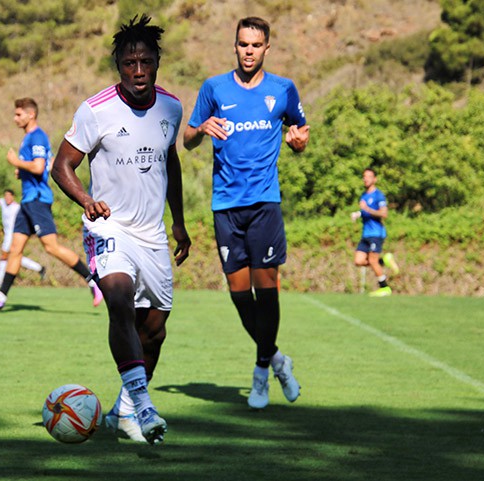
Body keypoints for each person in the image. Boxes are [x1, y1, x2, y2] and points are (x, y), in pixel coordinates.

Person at [51, 14, 190, 444]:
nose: (138, 70)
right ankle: (145, 408)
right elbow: (62, 166)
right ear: (118, 65)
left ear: (157, 63)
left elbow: (171, 160)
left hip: (152, 235)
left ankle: (123, 411)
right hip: (107, 227)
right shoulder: (95, 111)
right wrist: (87, 200)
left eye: (145, 61)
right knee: (117, 297)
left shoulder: (172, 107)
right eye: (129, 62)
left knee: (155, 329)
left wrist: (180, 222)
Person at [183, 17, 309, 410]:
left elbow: (300, 135)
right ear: (234, 46)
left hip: (264, 204)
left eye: (256, 45)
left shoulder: (283, 89)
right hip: (225, 206)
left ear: (267, 48)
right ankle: (277, 360)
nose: (249, 51)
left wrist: (298, 143)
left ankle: (260, 374)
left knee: (266, 288)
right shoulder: (214, 88)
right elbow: (186, 141)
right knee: (240, 295)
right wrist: (202, 128)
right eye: (242, 44)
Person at [0, 98, 103, 310]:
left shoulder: (37, 136)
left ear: (30, 114)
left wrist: (17, 163)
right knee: (15, 249)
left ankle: (92, 281)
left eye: (18, 114)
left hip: (37, 200)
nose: (15, 118)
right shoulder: (28, 138)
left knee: (51, 247)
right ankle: (0, 296)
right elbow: (39, 166)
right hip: (27, 201)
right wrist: (21, 171)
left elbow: (39, 166)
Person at [0, 178, 46, 287]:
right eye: (6, 196)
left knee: (5, 256)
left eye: (9, 196)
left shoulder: (17, 207)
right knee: (13, 256)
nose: (7, 198)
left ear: (13, 197)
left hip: (13, 235)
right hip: (7, 234)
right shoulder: (3, 203)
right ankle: (39, 268)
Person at [350, 167, 400, 297]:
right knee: (358, 261)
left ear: (374, 179)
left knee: (372, 261)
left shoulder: (378, 195)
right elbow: (365, 211)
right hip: (365, 234)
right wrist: (358, 213)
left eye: (368, 176)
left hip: (376, 234)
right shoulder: (364, 195)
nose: (365, 179)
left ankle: (385, 288)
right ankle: (385, 260)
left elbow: (384, 213)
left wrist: (366, 208)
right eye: (364, 176)